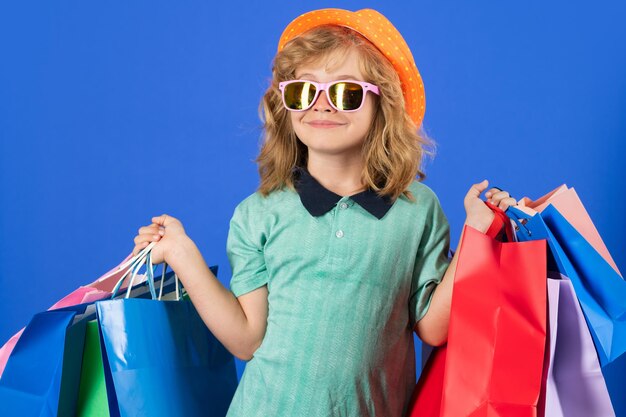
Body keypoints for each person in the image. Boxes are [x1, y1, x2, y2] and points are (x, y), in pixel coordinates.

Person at [132, 8, 517, 417]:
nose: (322, 107)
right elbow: (246, 339)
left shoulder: (418, 209)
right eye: (303, 92)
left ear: (380, 104)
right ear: (285, 105)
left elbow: (432, 328)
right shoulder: (258, 214)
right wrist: (182, 254)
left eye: (346, 93)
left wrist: (477, 230)